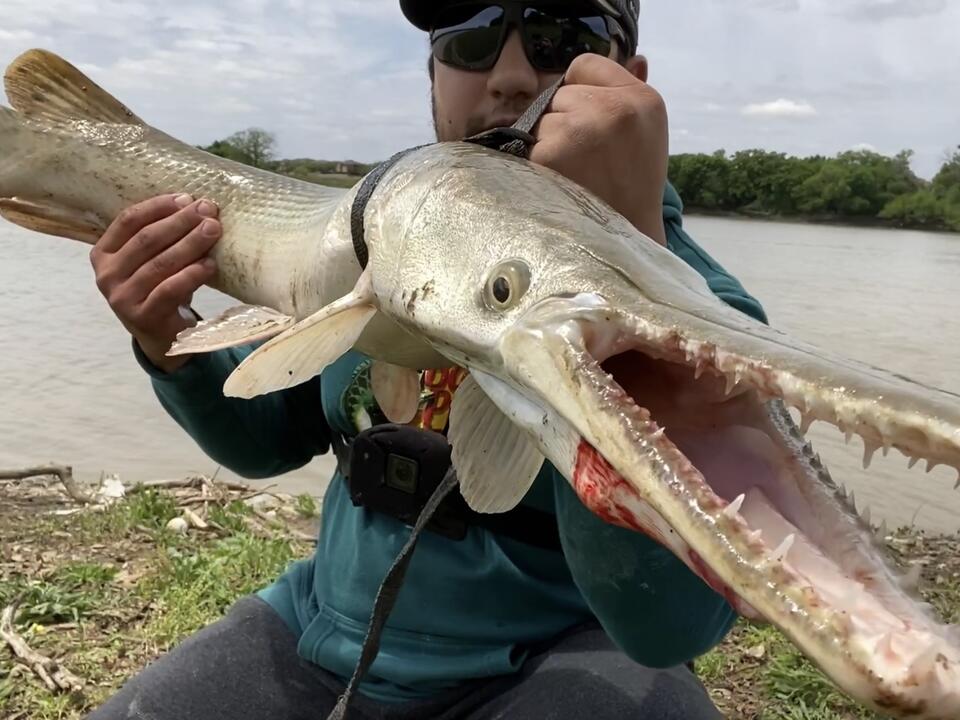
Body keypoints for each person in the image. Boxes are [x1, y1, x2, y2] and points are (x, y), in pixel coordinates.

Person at [87, 2, 768, 718]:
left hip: (560, 662)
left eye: (560, 37)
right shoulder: (364, 237)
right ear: (433, 76)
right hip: (323, 633)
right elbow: (267, 442)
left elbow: (667, 627)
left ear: (630, 84)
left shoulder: (710, 323)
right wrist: (165, 335)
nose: (509, 76)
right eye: (472, 39)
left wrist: (632, 292)